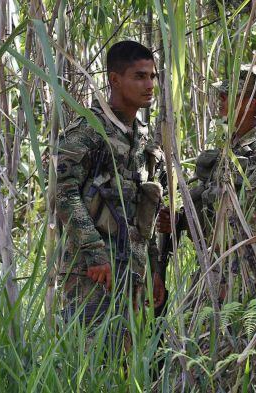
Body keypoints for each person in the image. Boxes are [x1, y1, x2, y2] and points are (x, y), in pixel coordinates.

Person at [55, 40, 166, 337]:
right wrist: (95, 253)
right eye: (140, 76)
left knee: (125, 369)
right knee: (87, 367)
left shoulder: (143, 139)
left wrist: (155, 268)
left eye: (152, 76)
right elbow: (64, 196)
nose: (149, 84)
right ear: (115, 80)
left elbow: (149, 212)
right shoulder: (87, 131)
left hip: (134, 273)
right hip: (91, 274)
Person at [158, 63, 256, 301]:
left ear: (250, 104)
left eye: (229, 95)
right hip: (212, 273)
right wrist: (180, 221)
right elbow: (214, 211)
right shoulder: (232, 151)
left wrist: (234, 286)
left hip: (238, 286)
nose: (221, 101)